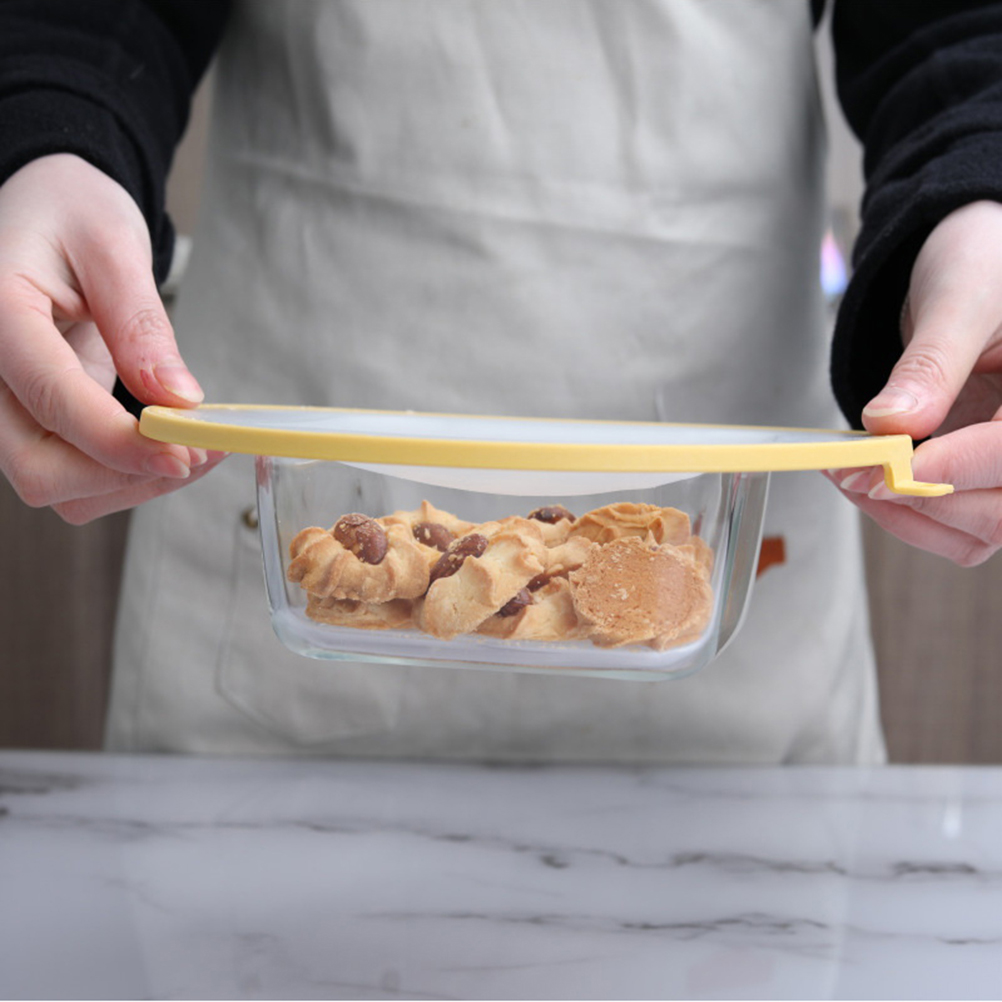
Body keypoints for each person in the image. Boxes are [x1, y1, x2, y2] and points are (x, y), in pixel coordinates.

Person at [1, 0, 1001, 761]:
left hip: (724, 591)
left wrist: (975, 201)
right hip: (287, 524)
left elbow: (951, 29)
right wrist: (52, 137)